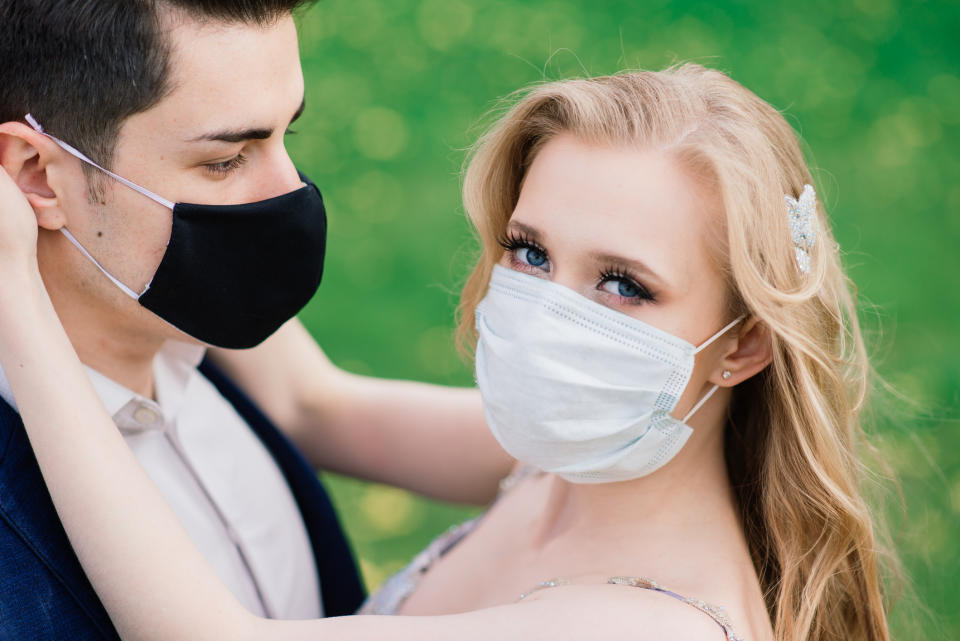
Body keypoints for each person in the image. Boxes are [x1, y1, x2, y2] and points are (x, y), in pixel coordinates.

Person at [0, 64, 896, 641]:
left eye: (623, 283)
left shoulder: (649, 622)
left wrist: (17, 299)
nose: (550, 313)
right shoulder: (569, 454)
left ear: (741, 346)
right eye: (531, 250)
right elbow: (318, 405)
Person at [0, 2, 508, 639]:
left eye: (285, 136)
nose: (291, 191)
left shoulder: (192, 315)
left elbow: (316, 404)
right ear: (36, 175)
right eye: (225, 161)